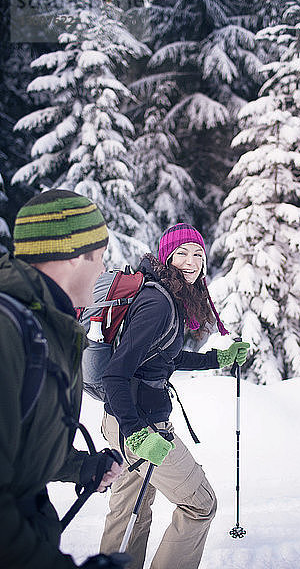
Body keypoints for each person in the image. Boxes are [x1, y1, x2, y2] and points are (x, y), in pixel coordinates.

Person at [100, 223, 250, 569]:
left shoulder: (166, 297)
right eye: (182, 252)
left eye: (198, 253)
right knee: (201, 505)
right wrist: (137, 433)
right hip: (139, 426)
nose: (191, 261)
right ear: (166, 256)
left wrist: (217, 359)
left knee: (130, 514)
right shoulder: (159, 303)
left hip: (119, 419)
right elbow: (115, 373)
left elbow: (164, 356)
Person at [0, 189, 126, 569]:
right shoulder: (8, 332)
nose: (104, 271)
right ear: (76, 255)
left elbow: (19, 446)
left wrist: (79, 466)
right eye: (101, 258)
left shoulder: (44, 324)